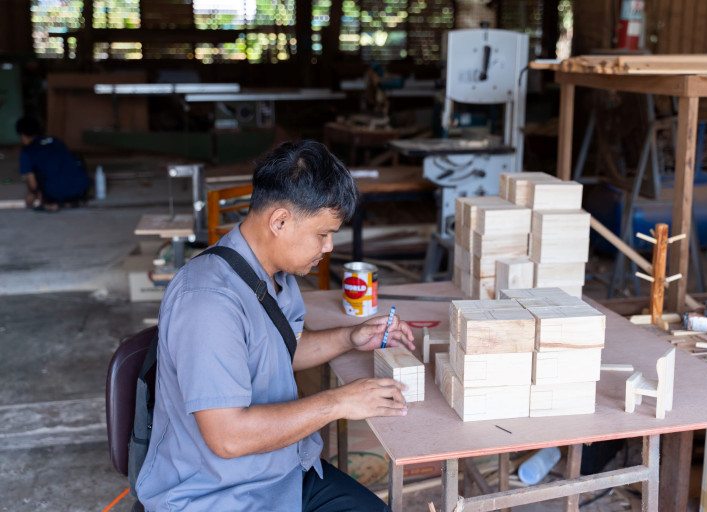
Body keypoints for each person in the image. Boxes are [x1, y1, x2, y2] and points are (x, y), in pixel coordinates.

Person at [136, 140, 415, 511]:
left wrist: (351, 337)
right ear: (280, 221)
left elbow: (280, 352)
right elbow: (228, 438)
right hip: (218, 495)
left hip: (283, 472)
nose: (329, 247)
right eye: (322, 234)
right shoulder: (207, 302)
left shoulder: (274, 275)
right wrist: (339, 402)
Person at [16, 116, 91, 212]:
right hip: (82, 189)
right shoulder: (57, 141)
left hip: (55, 192)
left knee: (38, 170)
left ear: (22, 135)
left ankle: (50, 204)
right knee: (70, 159)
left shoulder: (27, 152)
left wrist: (33, 193)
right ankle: (70, 201)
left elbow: (32, 184)